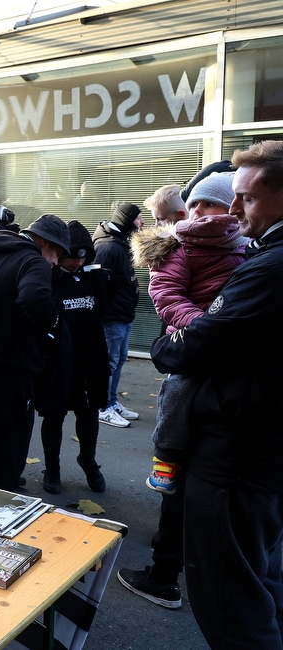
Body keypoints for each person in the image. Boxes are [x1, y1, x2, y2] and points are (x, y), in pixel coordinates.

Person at [150, 141, 283, 647]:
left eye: (245, 198)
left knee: (234, 605)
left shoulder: (269, 266)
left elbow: (201, 343)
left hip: (239, 456)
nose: (230, 210)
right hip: (257, 448)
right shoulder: (257, 255)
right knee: (261, 582)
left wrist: (169, 342)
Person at [116, 171, 246, 613]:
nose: (198, 212)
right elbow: (166, 295)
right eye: (193, 205)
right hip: (195, 343)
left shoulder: (250, 249)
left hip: (223, 362)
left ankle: (169, 574)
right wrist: (202, 331)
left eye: (209, 204)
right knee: (175, 403)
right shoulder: (178, 245)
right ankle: (164, 459)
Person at [0, 215, 68, 492]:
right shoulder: (33, 260)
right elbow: (33, 297)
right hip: (11, 370)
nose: (55, 262)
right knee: (7, 448)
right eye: (57, 253)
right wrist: (52, 326)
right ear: (43, 242)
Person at [37, 220, 112, 494]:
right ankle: (52, 468)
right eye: (71, 257)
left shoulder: (93, 278)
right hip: (58, 360)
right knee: (55, 415)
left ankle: (88, 460)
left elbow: (105, 313)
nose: (77, 263)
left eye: (82, 257)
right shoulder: (47, 277)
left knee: (89, 412)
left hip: (90, 358)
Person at [92, 202, 144, 427]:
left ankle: (111, 402)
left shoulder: (121, 243)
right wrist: (106, 311)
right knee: (109, 362)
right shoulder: (109, 248)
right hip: (113, 317)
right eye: (138, 218)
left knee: (119, 360)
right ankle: (102, 407)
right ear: (126, 220)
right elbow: (97, 284)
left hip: (123, 315)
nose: (142, 222)